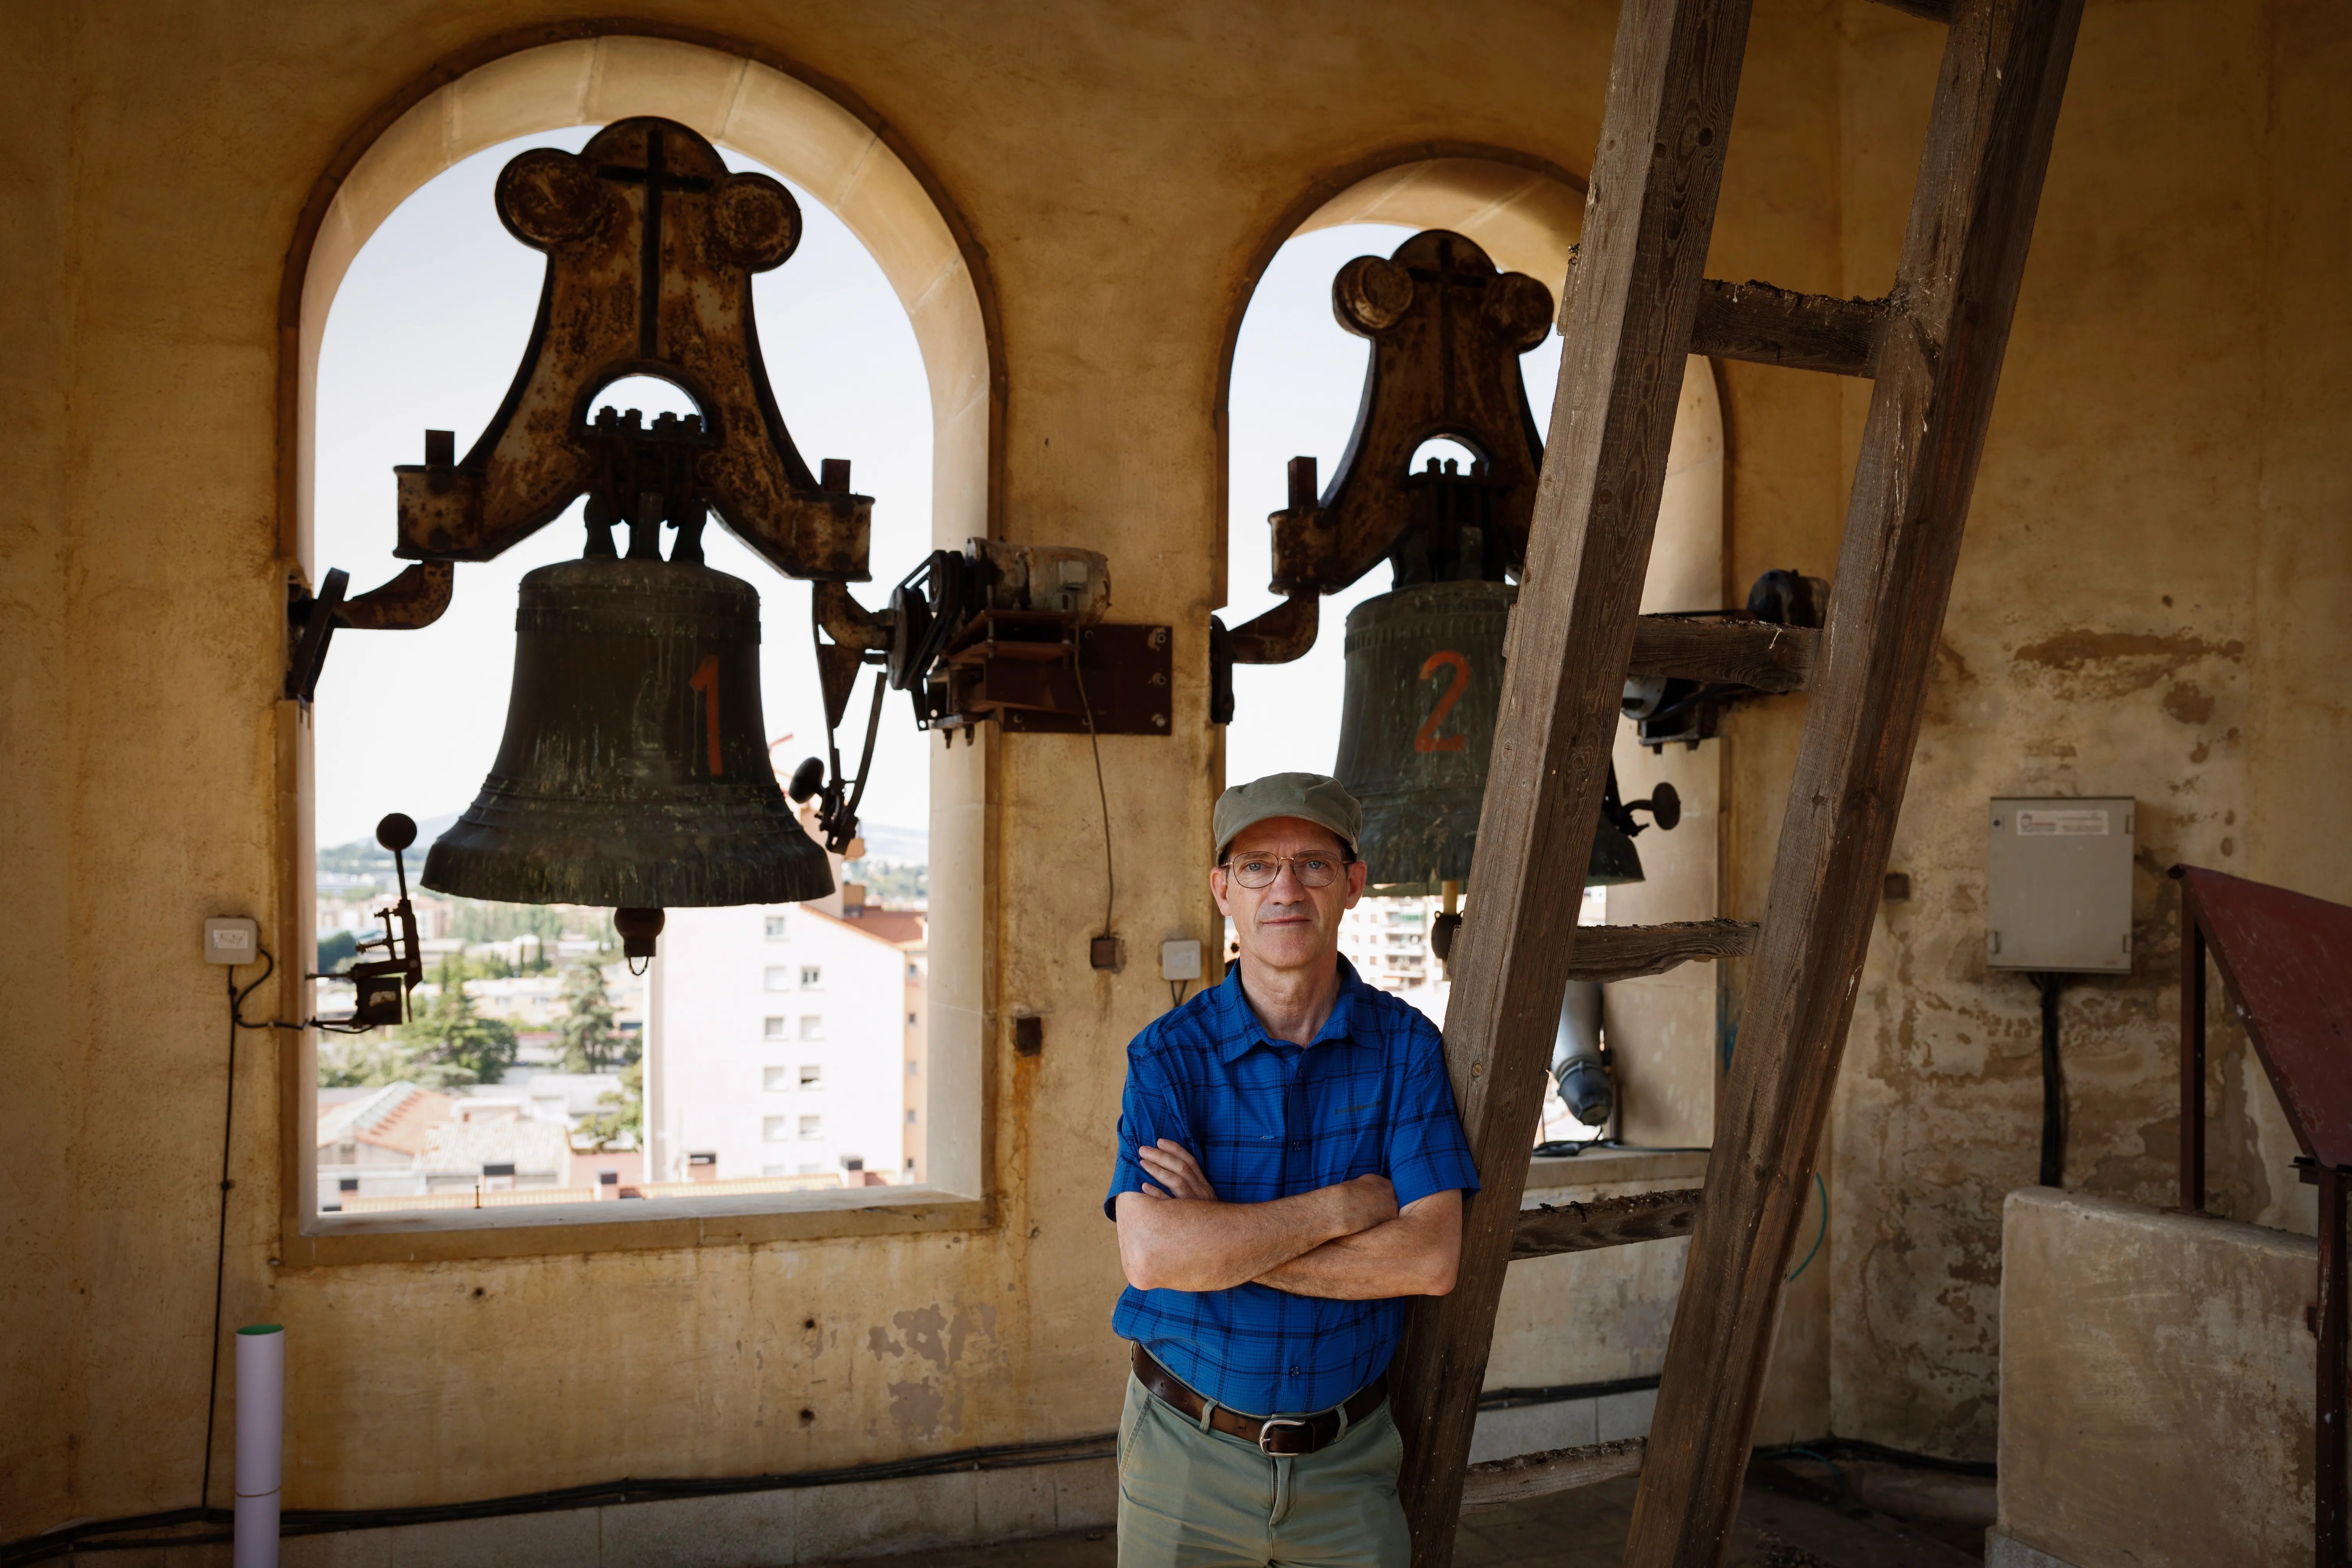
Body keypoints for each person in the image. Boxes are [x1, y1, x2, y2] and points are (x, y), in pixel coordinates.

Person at [1105, 772, 1479, 1568]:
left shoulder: (1407, 1050)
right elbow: (1154, 1255)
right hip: (1182, 1457)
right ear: (1222, 891)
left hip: (1349, 1468)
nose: (1285, 888)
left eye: (1312, 864)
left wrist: (1227, 1242)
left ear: (1351, 884)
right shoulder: (1166, 1056)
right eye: (1256, 866)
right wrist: (1344, 1207)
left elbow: (1431, 1259)